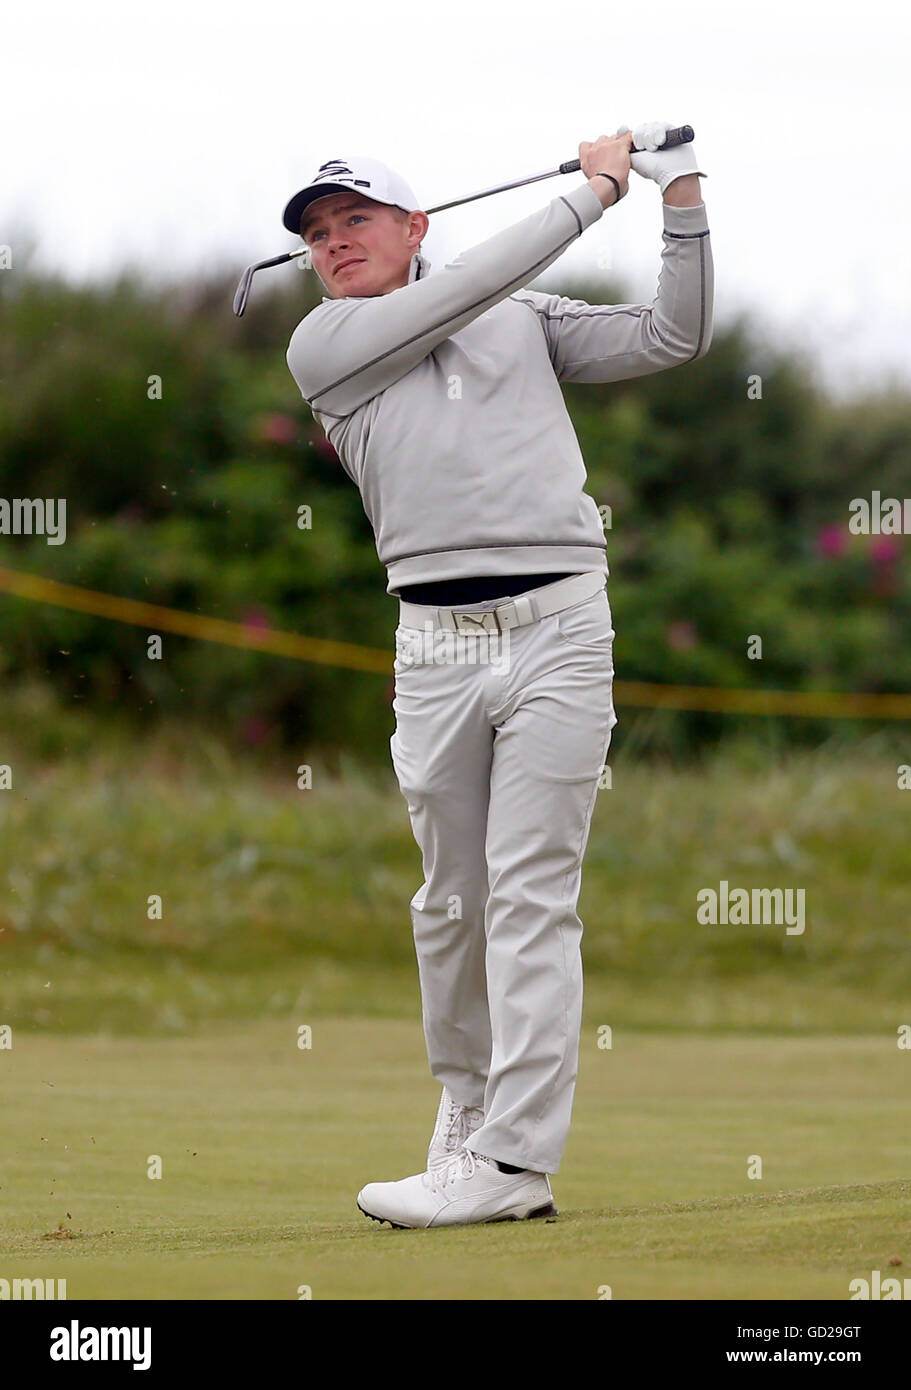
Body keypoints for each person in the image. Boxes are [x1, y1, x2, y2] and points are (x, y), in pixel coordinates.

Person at [284, 125, 713, 1228]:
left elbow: (671, 336)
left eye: (355, 221)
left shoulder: (518, 314)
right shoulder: (326, 345)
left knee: (529, 895)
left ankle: (513, 1164)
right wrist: (592, 192)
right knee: (450, 900)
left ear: (414, 226)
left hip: (560, 627)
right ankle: (463, 1115)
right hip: (433, 649)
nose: (333, 246)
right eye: (317, 235)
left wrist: (677, 195)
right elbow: (472, 283)